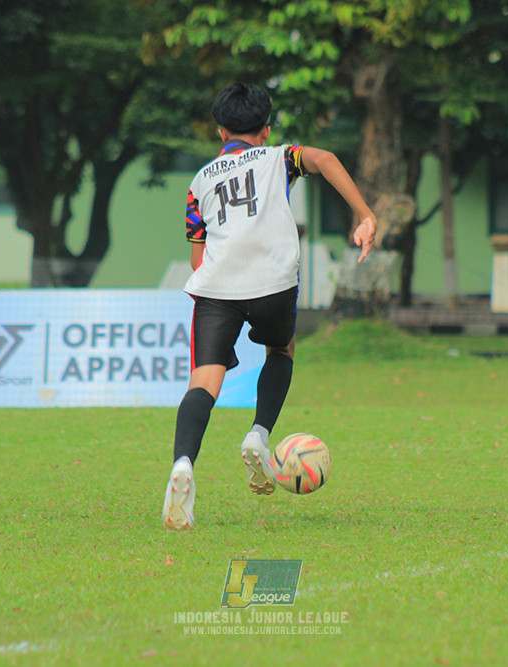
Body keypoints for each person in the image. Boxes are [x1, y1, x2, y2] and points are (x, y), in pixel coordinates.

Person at [162, 82, 378, 530]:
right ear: (265, 129)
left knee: (204, 379)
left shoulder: (200, 181)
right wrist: (364, 216)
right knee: (281, 351)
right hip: (273, 284)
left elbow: (197, 254)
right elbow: (326, 160)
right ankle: (259, 434)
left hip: (216, 287)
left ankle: (183, 465)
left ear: (221, 132)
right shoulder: (279, 156)